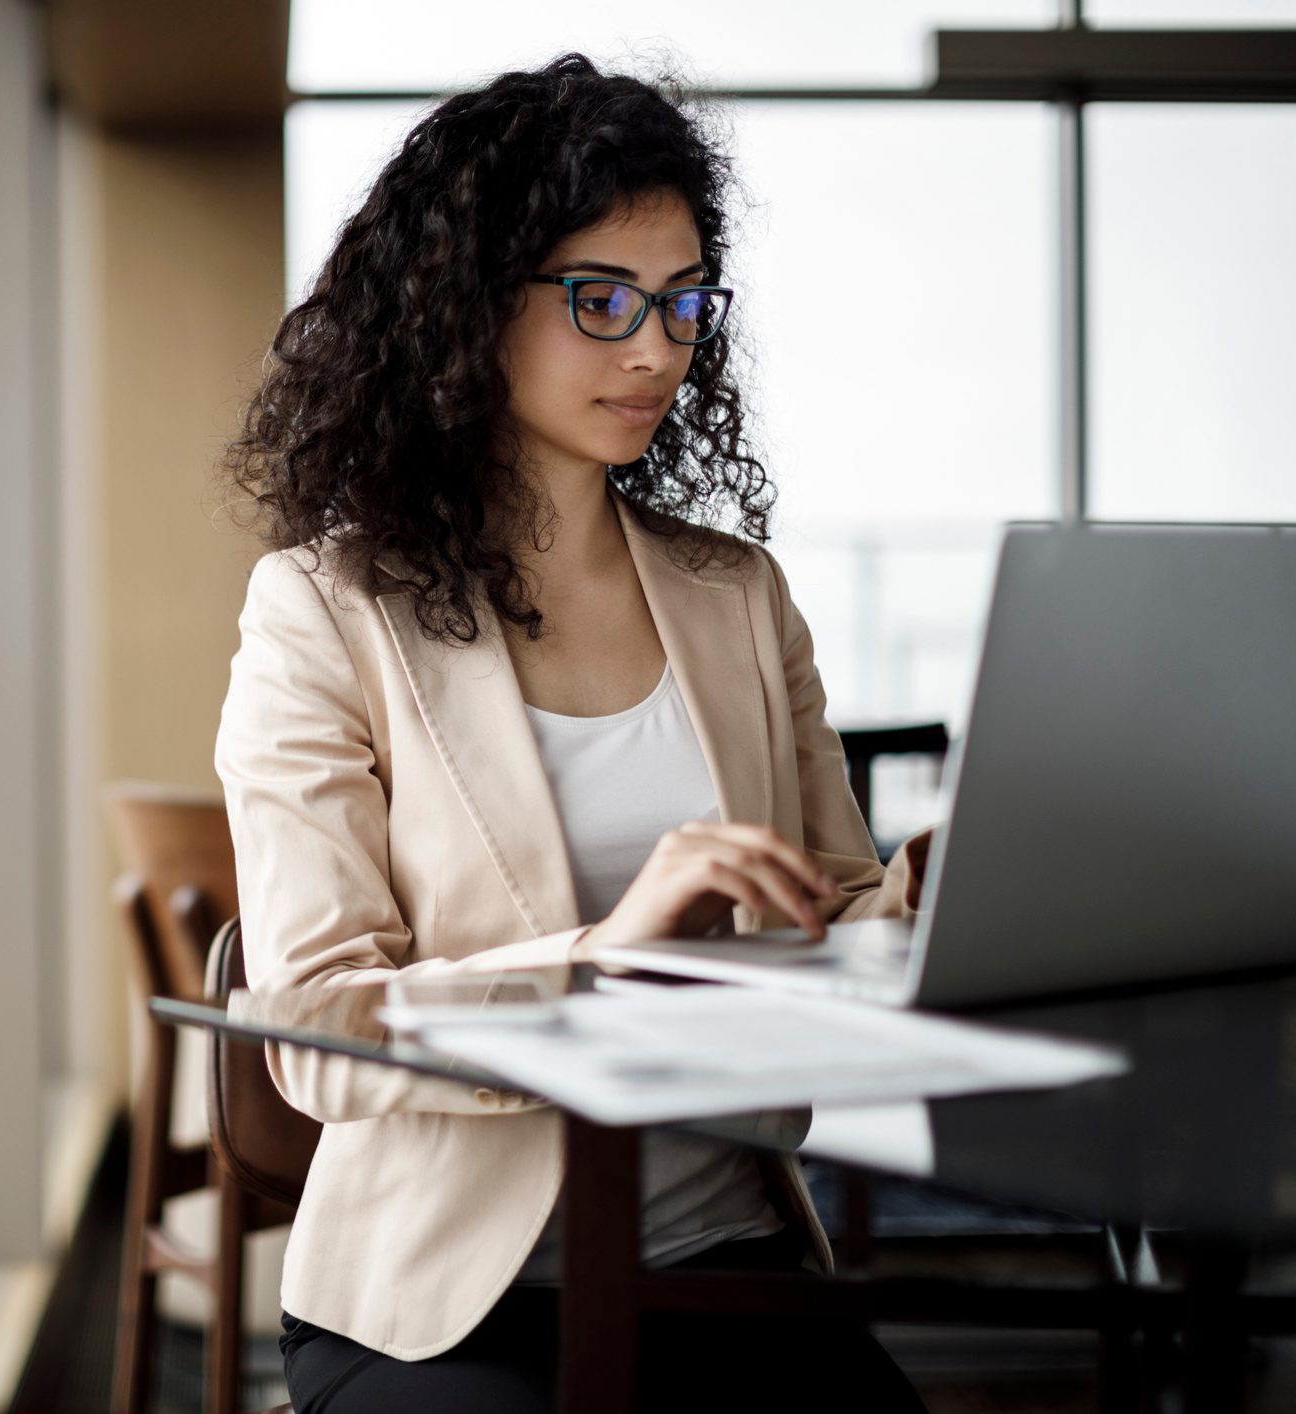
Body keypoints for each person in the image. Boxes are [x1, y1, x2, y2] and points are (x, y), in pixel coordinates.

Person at [214, 55, 930, 1412]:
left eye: (679, 304)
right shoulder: (322, 612)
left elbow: (831, 917)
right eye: (601, 300)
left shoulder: (737, 596)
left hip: (727, 1258)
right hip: (452, 1303)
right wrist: (607, 950)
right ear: (464, 306)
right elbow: (310, 1028)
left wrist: (930, 898)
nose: (654, 348)